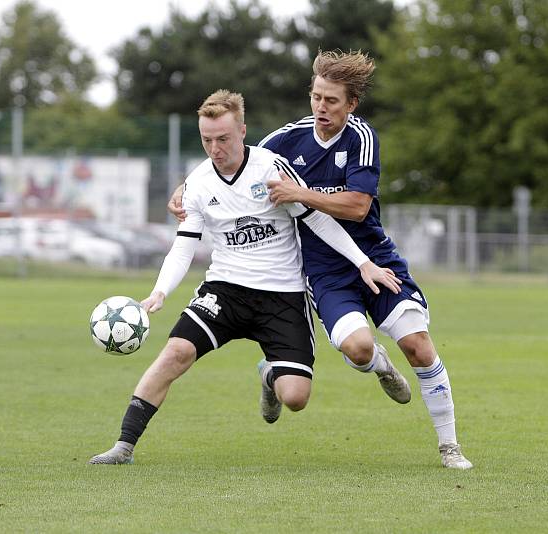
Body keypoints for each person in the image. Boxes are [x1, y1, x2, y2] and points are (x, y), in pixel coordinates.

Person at [168, 51, 473, 469]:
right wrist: (184, 188)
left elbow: (358, 206)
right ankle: (372, 367)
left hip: (373, 257)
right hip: (324, 271)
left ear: (351, 104)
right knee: (360, 348)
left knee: (419, 347)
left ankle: (449, 446)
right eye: (316, 98)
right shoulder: (286, 139)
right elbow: (233, 155)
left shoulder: (361, 138)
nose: (321, 108)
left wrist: (300, 193)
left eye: (331, 101)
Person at [89, 89, 402, 465]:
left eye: (223, 138)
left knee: (296, 398)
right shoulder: (198, 184)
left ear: (242, 131)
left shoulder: (271, 168)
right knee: (175, 353)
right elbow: (184, 245)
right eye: (207, 140)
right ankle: (124, 445)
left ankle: (270, 375)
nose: (215, 148)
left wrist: (363, 262)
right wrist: (160, 292)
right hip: (225, 291)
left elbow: (317, 219)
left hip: (282, 296)